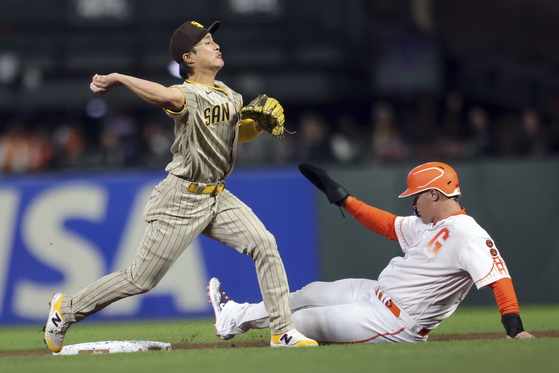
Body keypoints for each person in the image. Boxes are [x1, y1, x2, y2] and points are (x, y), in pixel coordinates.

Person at [43, 20, 318, 352]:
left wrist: (257, 126)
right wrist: (117, 77)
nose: (216, 45)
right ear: (189, 57)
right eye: (206, 42)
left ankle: (282, 331)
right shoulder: (186, 94)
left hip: (217, 195)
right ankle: (65, 309)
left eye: (214, 40)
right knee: (140, 279)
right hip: (181, 198)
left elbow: (235, 134)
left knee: (265, 244)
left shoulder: (231, 94)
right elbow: (163, 95)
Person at [207, 162, 535, 343]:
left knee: (300, 322)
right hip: (374, 294)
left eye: (416, 196)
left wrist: (514, 328)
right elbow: (388, 225)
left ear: (434, 195)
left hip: (395, 321)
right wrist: (342, 198)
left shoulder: (467, 233)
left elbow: (498, 278)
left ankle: (263, 331)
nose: (412, 202)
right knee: (308, 293)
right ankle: (232, 317)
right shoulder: (430, 223)